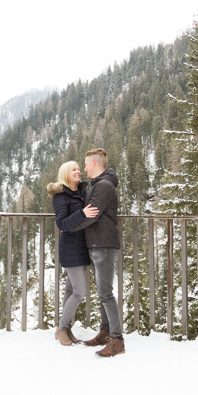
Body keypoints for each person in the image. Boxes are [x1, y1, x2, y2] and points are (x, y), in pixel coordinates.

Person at [74, 147, 124, 357]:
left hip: (102, 245)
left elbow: (91, 215)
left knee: (105, 293)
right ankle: (105, 332)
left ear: (94, 164)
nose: (84, 169)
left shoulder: (103, 186)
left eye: (86, 164)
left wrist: (69, 225)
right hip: (98, 243)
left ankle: (117, 340)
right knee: (103, 292)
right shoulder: (100, 184)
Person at [47, 161, 98, 346]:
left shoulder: (81, 193)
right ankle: (61, 328)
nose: (78, 172)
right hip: (71, 247)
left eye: (78, 169)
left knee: (70, 290)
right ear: (66, 174)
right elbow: (62, 223)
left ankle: (66, 329)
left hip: (82, 246)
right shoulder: (61, 196)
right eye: (74, 169)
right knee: (79, 292)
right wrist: (83, 213)